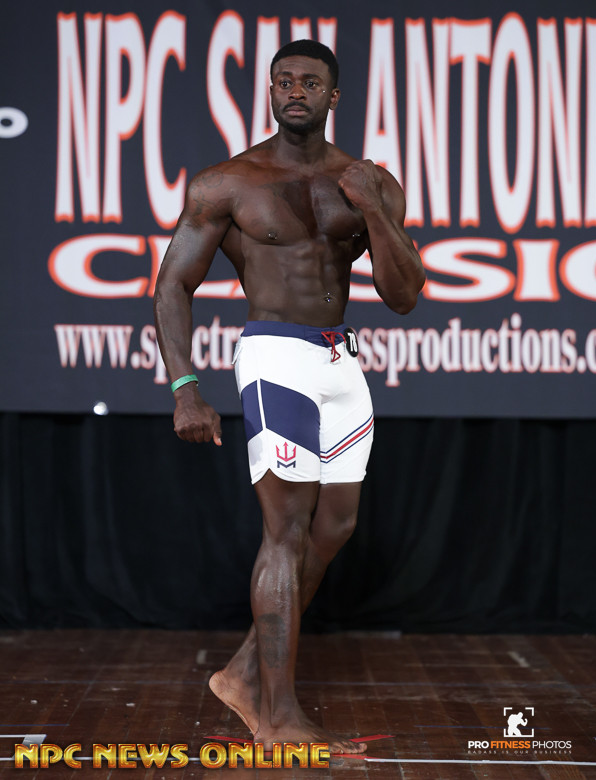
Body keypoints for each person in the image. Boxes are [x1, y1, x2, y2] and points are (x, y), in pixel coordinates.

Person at [154, 39, 425, 754]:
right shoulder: (227, 183)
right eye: (283, 81)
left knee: (335, 526)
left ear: (333, 96)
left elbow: (403, 296)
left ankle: (244, 674)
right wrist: (186, 388)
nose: (294, 91)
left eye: (309, 82)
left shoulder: (369, 180)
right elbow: (173, 283)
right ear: (270, 92)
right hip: (275, 355)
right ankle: (277, 717)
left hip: (341, 360)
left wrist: (373, 210)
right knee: (287, 531)